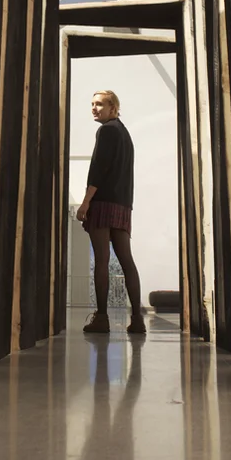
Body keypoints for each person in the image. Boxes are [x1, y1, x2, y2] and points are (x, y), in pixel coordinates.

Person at [77, 90, 146, 334]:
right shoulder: (125, 134)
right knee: (127, 260)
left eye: (99, 104)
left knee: (102, 261)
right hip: (122, 204)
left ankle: (102, 318)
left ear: (113, 108)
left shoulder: (106, 131)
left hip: (103, 203)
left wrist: (86, 202)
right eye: (92, 104)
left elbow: (99, 168)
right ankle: (137, 319)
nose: (94, 108)